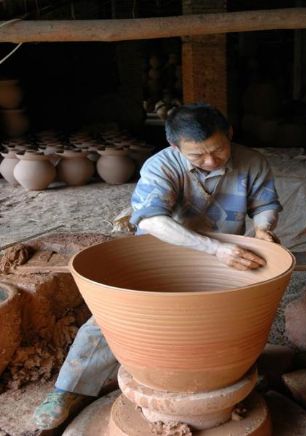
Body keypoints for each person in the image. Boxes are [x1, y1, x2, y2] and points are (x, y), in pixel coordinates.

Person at [33, 103, 282, 429]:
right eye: (198, 156)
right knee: (111, 321)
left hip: (222, 256)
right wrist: (215, 249)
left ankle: (222, 377)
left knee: (229, 319)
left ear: (230, 134)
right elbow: (152, 221)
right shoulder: (160, 166)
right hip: (162, 254)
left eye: (219, 149)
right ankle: (67, 390)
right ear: (175, 147)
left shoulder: (253, 161)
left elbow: (265, 204)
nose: (211, 160)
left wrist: (264, 228)